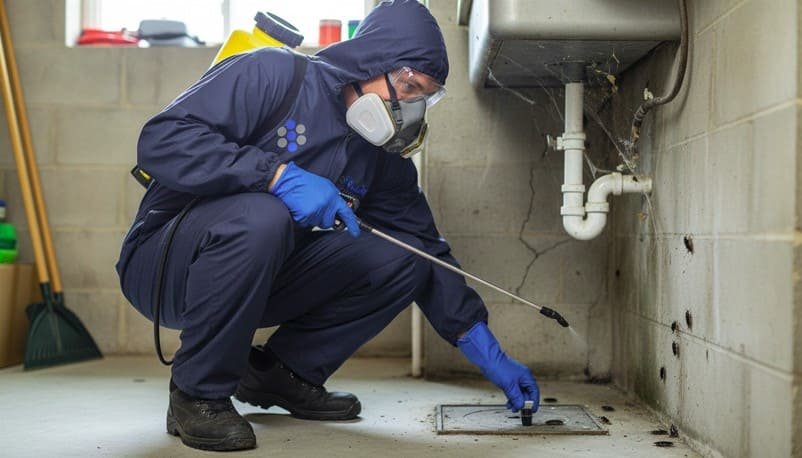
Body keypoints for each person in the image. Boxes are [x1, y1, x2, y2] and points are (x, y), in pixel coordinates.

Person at [116, 0, 539, 452]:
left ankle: (282, 374)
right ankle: (196, 394)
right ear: (370, 61)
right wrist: (275, 175)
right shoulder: (274, 75)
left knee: (402, 257)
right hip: (163, 263)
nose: (412, 107)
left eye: (424, 96)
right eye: (409, 86)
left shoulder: (379, 158)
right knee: (264, 215)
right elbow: (162, 140)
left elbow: (423, 247)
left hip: (254, 277)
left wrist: (480, 342)